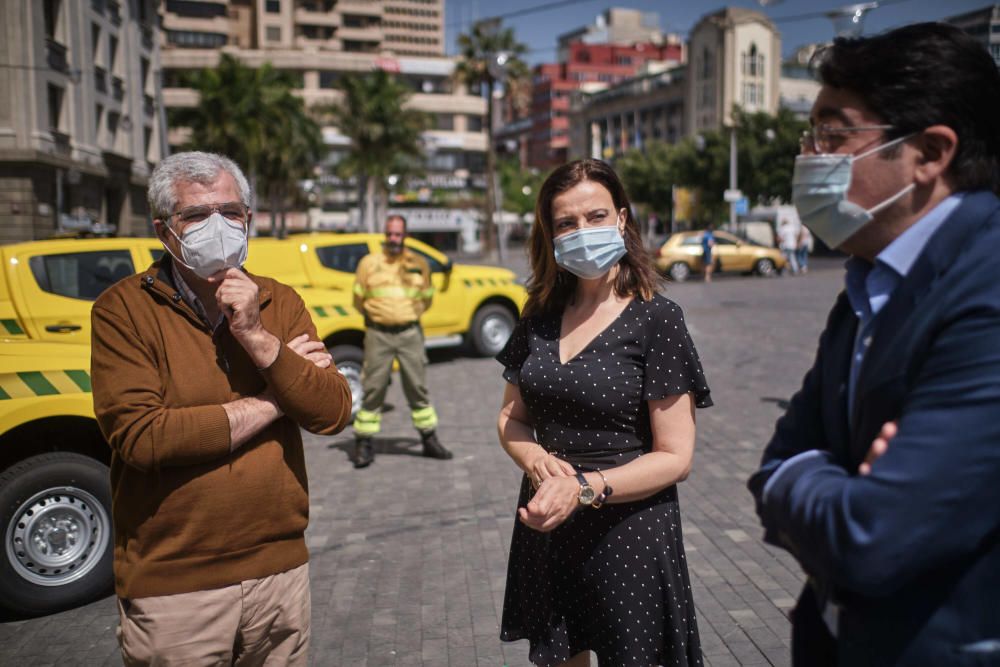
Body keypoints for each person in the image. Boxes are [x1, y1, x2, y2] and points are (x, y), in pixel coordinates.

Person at [747, 23, 1000, 666]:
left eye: (834, 134)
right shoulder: (866, 282)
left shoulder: (987, 285)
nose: (810, 154)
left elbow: (874, 534)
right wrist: (819, 473)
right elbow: (775, 463)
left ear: (930, 152)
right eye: (811, 135)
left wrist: (811, 476)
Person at [91, 151, 353, 665]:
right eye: (197, 215)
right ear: (165, 230)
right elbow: (145, 438)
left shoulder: (279, 301)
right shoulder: (122, 310)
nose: (219, 225)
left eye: (231, 212)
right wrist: (278, 399)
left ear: (249, 220)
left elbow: (333, 411)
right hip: (176, 588)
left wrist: (257, 336)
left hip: (280, 576)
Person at [496, 158, 712, 666]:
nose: (581, 231)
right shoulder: (540, 313)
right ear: (550, 234)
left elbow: (676, 457)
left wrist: (584, 487)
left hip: (629, 531)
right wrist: (532, 459)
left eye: (595, 216)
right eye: (566, 223)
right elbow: (511, 418)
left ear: (621, 219)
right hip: (549, 525)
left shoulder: (657, 317)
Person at [351, 214, 452, 467]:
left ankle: (429, 440)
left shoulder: (419, 263)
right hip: (378, 333)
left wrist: (407, 316)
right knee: (373, 388)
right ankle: (363, 442)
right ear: (385, 235)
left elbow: (427, 298)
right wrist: (380, 318)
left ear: (405, 235)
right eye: (390, 234)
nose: (393, 239)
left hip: (410, 334)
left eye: (398, 234)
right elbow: (358, 300)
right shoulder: (368, 264)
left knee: (417, 387)